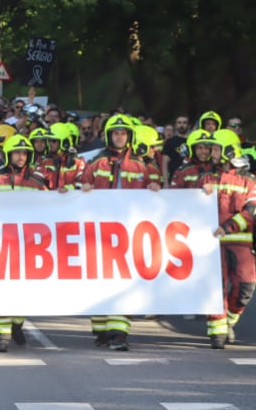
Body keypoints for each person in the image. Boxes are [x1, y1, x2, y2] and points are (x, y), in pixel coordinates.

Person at [81, 115, 159, 351]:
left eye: (123, 133)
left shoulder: (142, 165)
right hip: (100, 232)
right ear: (108, 136)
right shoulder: (96, 162)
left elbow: (159, 197)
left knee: (126, 283)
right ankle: (102, 330)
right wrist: (81, 188)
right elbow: (80, 187)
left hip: (129, 234)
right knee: (99, 281)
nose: (119, 137)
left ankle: (119, 333)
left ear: (129, 136)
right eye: (115, 133)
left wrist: (156, 188)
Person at [0, 134, 47, 351]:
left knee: (25, 289)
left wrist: (60, 196)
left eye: (25, 153)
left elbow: (51, 209)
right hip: (0, 244)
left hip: (28, 245)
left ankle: (17, 323)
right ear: (8, 155)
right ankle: (2, 335)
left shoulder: (36, 182)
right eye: (17, 153)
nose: (21, 157)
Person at [199, 129, 256, 349]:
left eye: (215, 148)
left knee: (247, 285)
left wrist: (228, 227)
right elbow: (187, 206)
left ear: (227, 151)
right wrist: (199, 192)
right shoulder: (205, 177)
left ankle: (230, 320)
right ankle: (217, 331)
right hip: (211, 244)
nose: (211, 152)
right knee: (214, 287)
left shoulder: (249, 179)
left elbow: (253, 209)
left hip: (239, 241)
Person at [161, 115, 190, 184]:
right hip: (174, 179)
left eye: (184, 123)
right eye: (179, 123)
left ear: (188, 126)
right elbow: (165, 163)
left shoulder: (192, 141)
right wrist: (165, 182)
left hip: (190, 179)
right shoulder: (170, 142)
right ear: (176, 126)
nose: (182, 125)